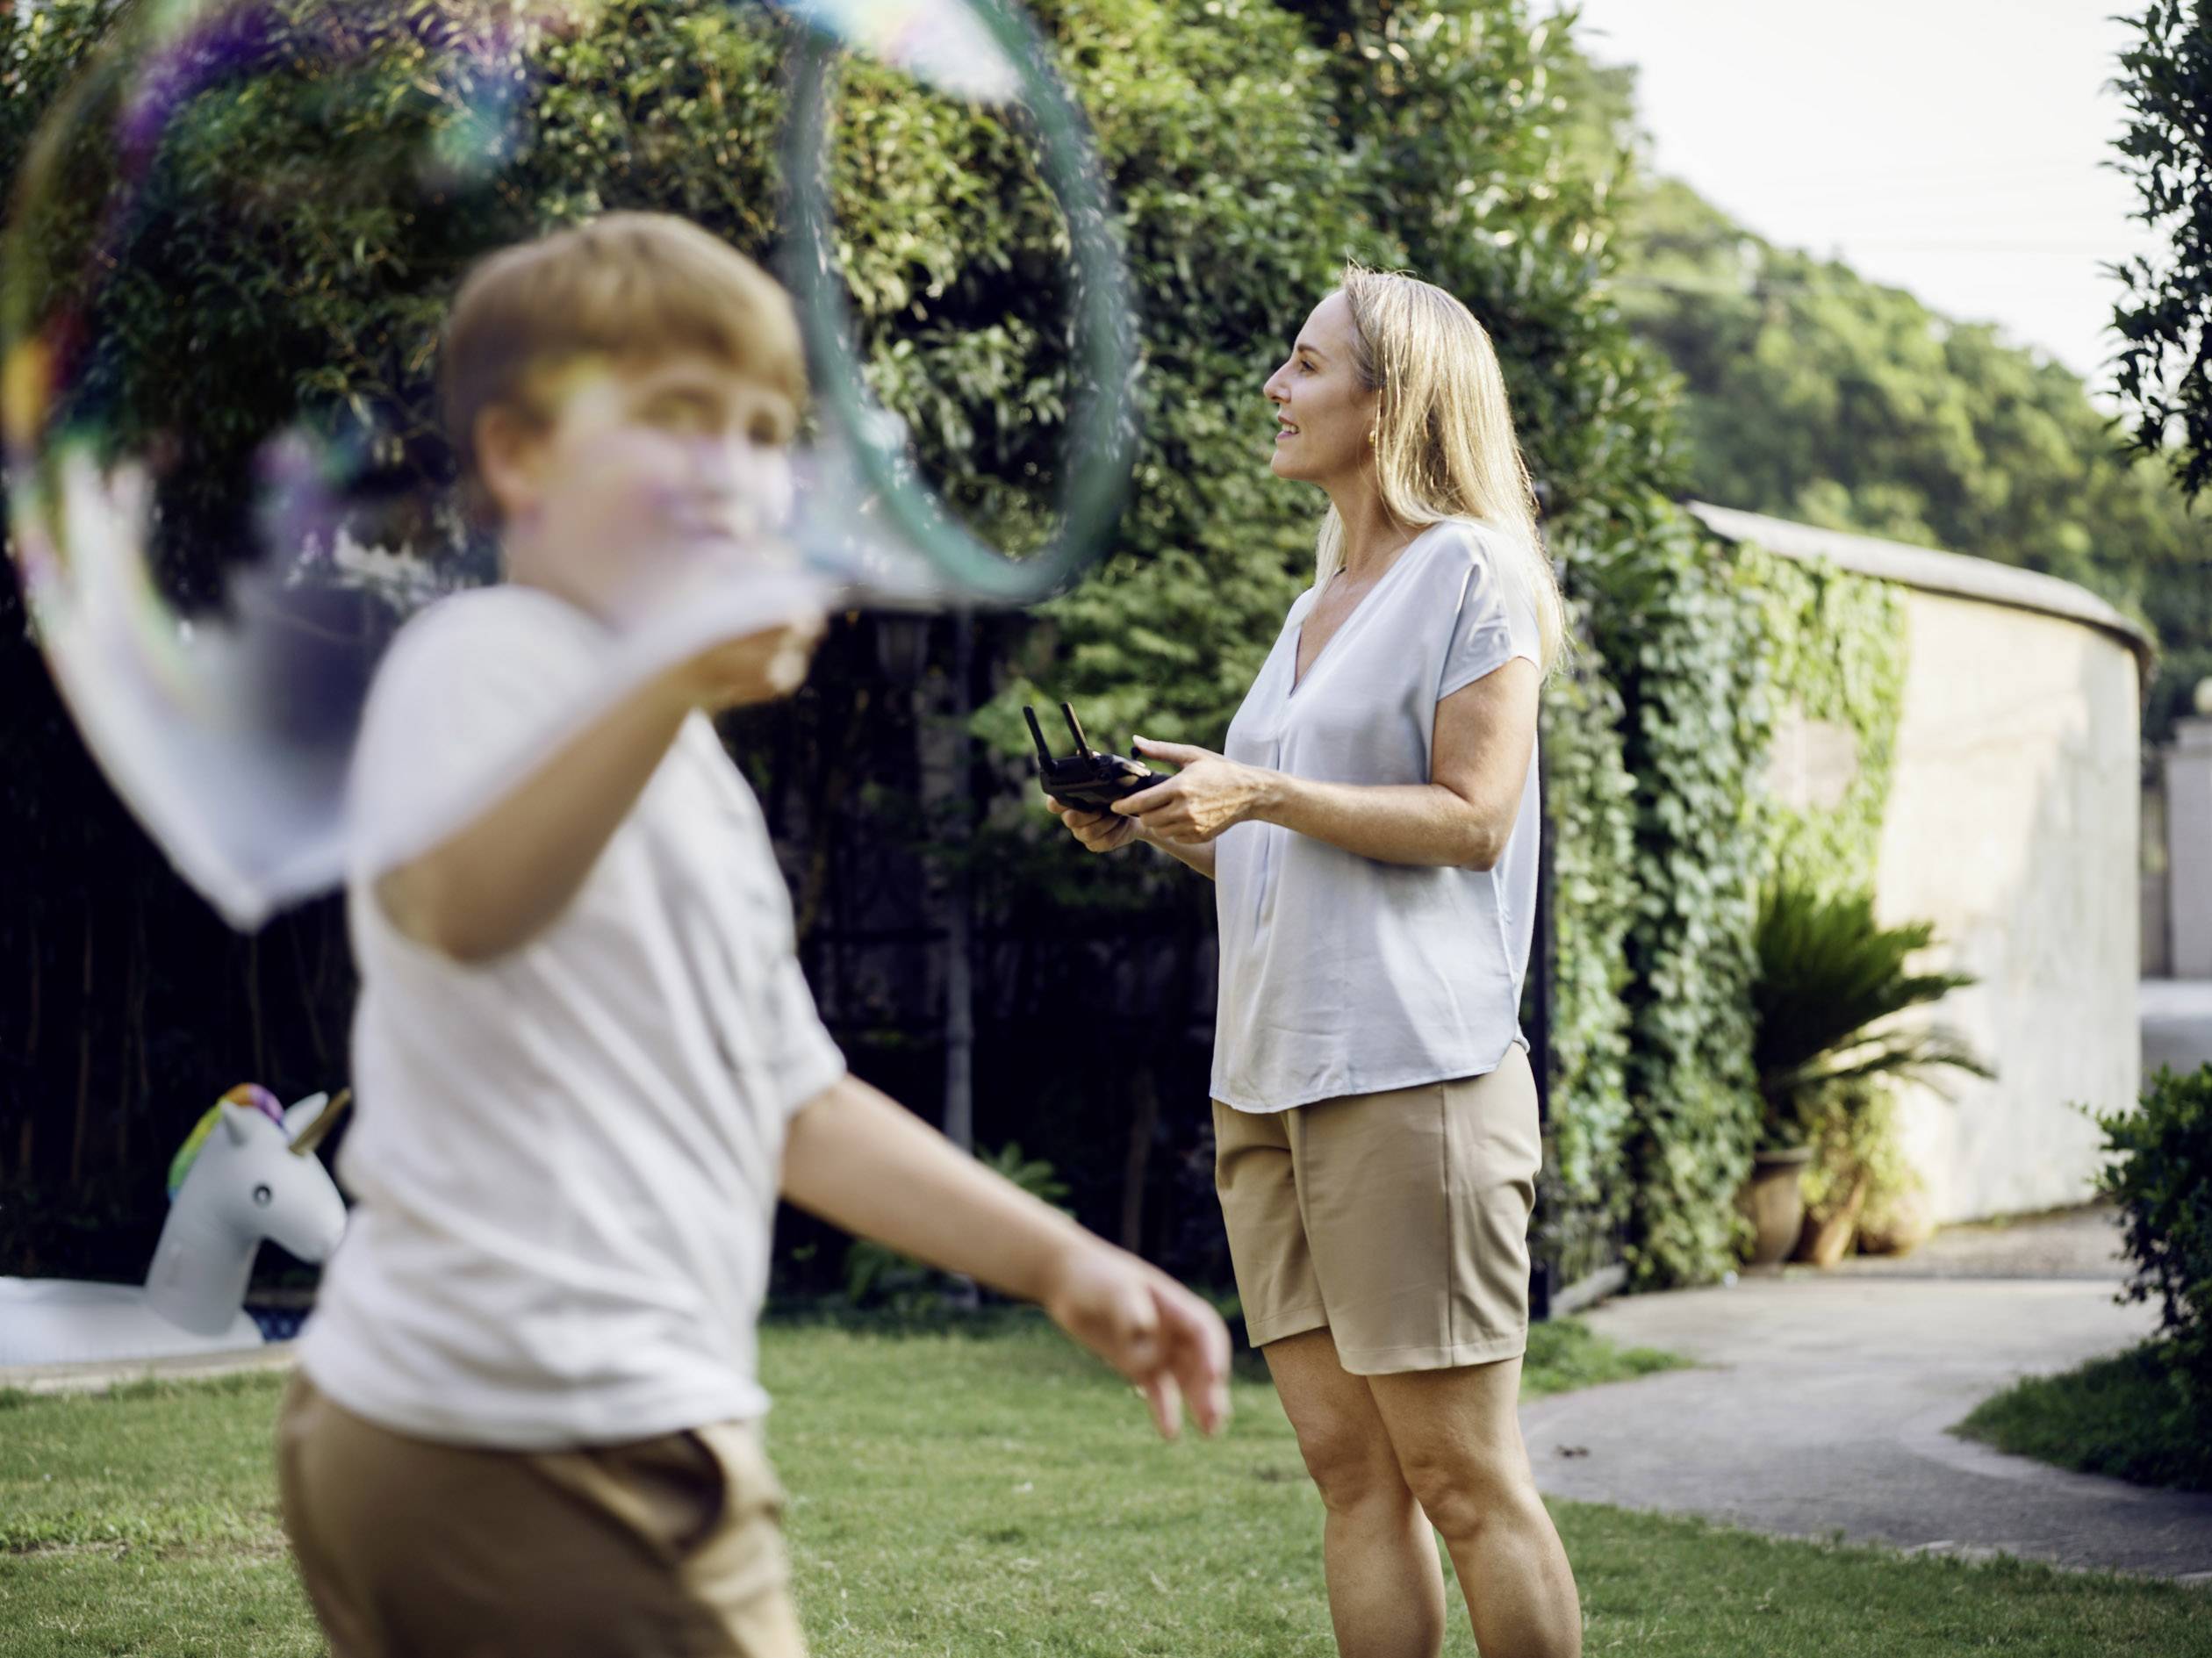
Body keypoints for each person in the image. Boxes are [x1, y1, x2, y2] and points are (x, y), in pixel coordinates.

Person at [276, 212, 1230, 1658]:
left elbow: (791, 1095)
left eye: (766, 432)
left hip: (543, 1423)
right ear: (523, 457)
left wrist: (1058, 1260)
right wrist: (666, 676)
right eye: (678, 419)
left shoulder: (683, 763)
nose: (738, 466)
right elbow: (459, 901)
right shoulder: (483, 665)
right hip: (540, 1435)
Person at [1049, 265, 1579, 1658]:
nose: (1274, 390)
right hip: (1268, 1082)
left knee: (1463, 1478)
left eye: (1303, 364)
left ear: (1389, 399)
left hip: (1413, 1079)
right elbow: (1281, 853)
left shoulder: (1472, 569)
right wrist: (1164, 824)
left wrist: (1260, 792)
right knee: (1351, 1474)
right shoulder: (1313, 607)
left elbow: (1473, 821)